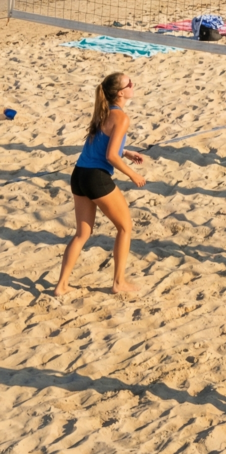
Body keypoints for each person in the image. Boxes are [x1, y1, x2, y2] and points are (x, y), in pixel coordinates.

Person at [53, 72, 146, 297]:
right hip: (96, 178)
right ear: (121, 93)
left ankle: (61, 285)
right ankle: (118, 282)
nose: (134, 85)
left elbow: (104, 146)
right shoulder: (122, 117)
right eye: (130, 83)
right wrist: (133, 174)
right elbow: (110, 156)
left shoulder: (102, 112)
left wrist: (126, 151)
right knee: (125, 227)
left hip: (79, 175)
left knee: (82, 234)